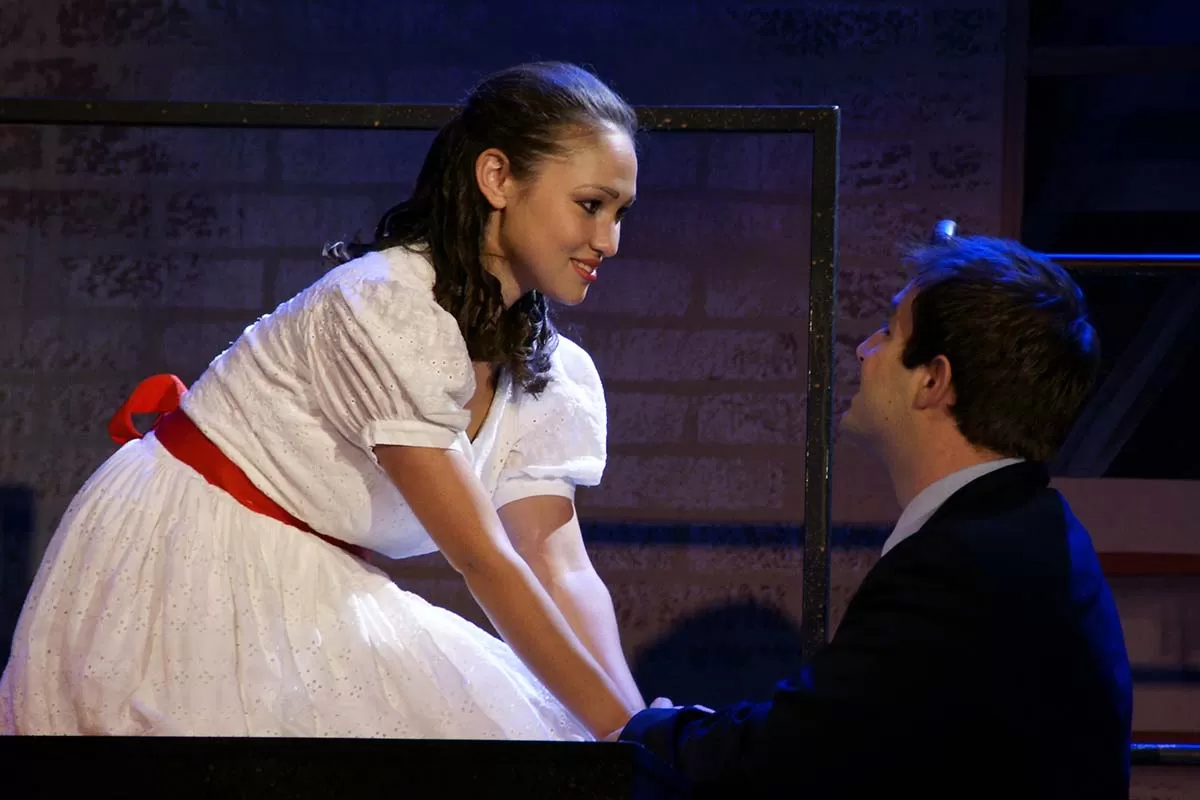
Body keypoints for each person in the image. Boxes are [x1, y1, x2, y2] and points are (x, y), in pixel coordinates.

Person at [0, 62, 649, 741]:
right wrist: (623, 734)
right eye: (590, 205)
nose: (609, 240)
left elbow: (557, 564)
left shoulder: (550, 371)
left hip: (312, 574)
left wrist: (638, 727)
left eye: (620, 213)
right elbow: (482, 557)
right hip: (192, 551)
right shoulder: (387, 306)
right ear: (498, 178)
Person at [620, 235, 1134, 798]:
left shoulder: (964, 564)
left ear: (933, 380)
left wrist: (655, 731)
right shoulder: (1022, 529)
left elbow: (804, 754)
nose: (865, 349)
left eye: (889, 332)